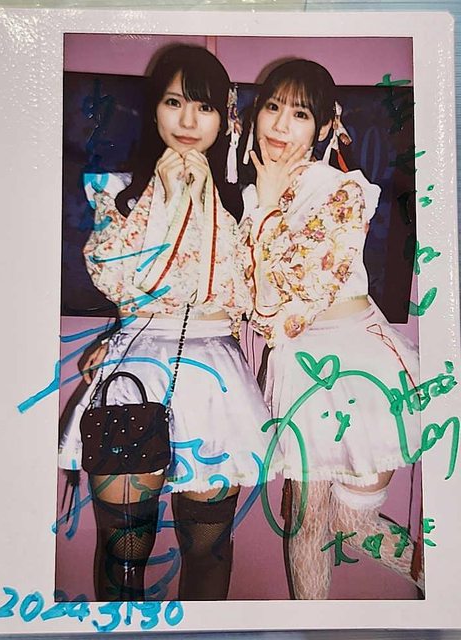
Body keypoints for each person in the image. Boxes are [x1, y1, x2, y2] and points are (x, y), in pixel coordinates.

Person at [59, 44, 277, 602]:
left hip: (214, 375)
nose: (187, 120)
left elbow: (240, 294)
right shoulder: (117, 192)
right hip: (134, 367)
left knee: (207, 548)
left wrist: (202, 201)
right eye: (174, 102)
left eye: (203, 107)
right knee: (123, 549)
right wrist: (166, 200)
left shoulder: (246, 201)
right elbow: (115, 280)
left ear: (225, 117)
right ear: (153, 107)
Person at [240, 58, 422, 599]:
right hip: (299, 367)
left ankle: (443, 584)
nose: (280, 125)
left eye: (299, 114)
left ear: (324, 127)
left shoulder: (342, 190)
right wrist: (263, 206)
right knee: (306, 522)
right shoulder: (252, 197)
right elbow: (252, 302)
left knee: (350, 521)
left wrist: (266, 211)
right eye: (272, 107)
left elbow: (293, 300)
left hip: (356, 362)